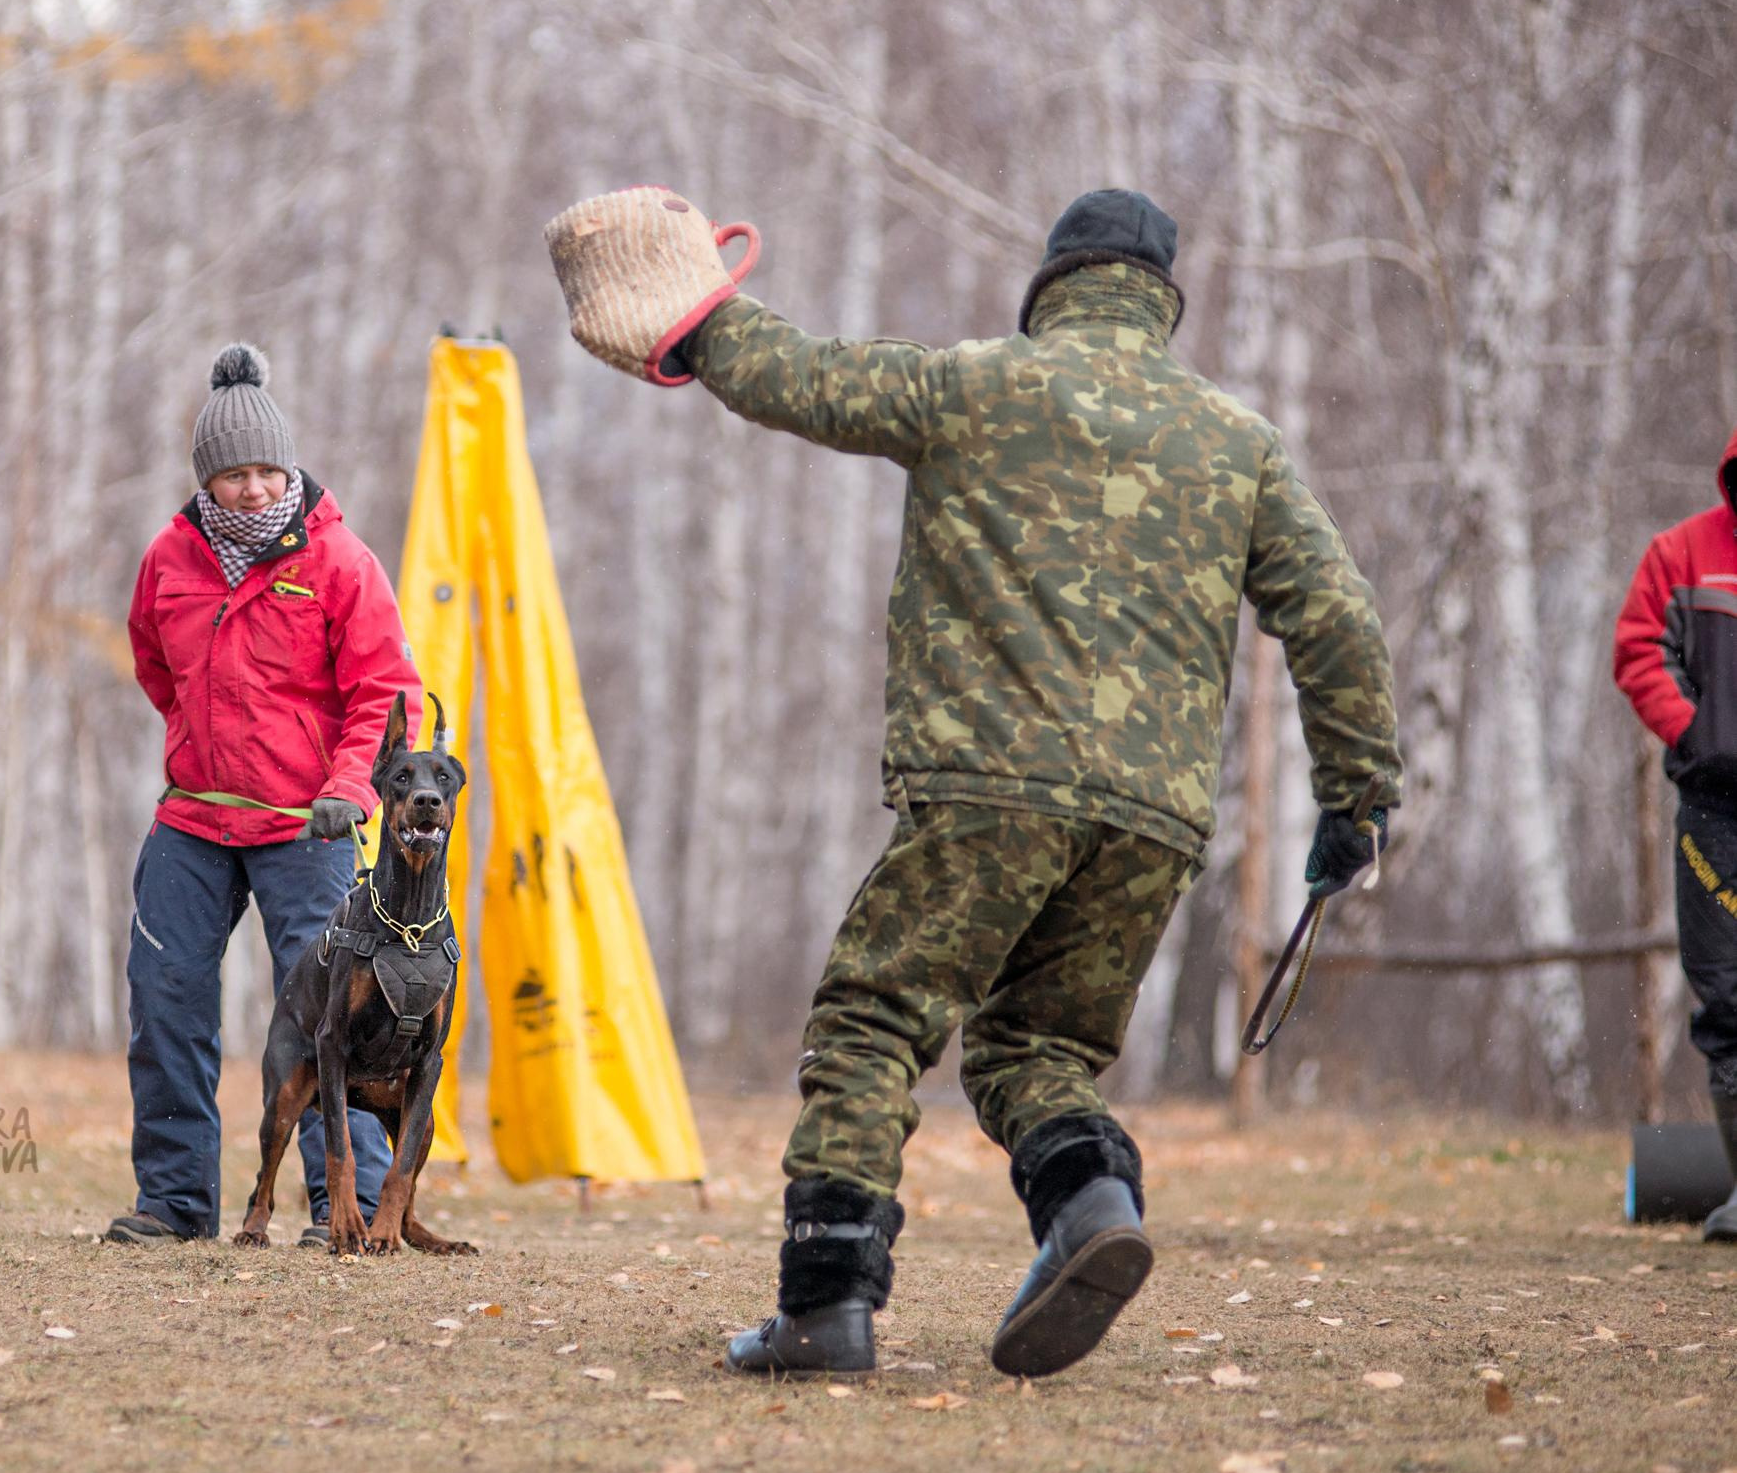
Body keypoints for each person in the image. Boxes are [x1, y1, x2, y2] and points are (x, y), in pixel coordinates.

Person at [559, 187, 1400, 1375]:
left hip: (986, 787)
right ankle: (1091, 1204)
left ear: (1052, 283)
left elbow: (796, 376)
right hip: (1150, 820)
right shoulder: (1237, 443)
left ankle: (824, 1305)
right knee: (1032, 1049)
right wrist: (1355, 795)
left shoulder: (975, 384)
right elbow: (1337, 619)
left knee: (871, 1018)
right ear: (1161, 299)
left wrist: (694, 318)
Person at [108, 342, 423, 1246]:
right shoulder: (169, 557)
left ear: (287, 465)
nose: (251, 488)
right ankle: (174, 1202)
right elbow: (155, 666)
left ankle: (344, 1209)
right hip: (194, 820)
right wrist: (195, 744)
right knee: (164, 997)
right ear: (207, 478)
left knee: (339, 1021)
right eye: (232, 473)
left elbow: (386, 696)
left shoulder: (341, 561)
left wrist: (348, 786)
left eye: (264, 469)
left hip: (309, 825)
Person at [1612, 426, 1737, 1243]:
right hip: (1715, 814)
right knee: (1727, 998)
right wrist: (1697, 734)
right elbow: (1637, 652)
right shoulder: (1683, 552)